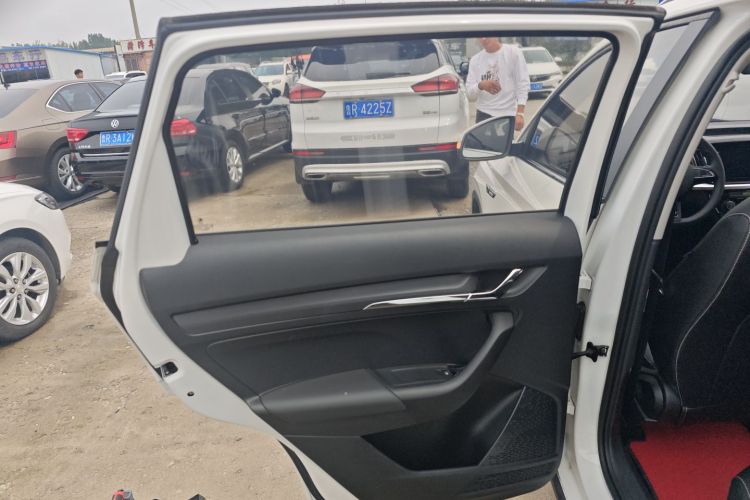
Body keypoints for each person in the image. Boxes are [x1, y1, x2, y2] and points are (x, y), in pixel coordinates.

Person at [466, 37, 530, 131]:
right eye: (480, 36)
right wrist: (481, 85)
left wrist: (520, 113)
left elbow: (522, 84)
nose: (484, 39)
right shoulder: (475, 60)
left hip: (507, 113)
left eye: (487, 35)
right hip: (483, 114)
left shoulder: (513, 53)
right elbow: (469, 94)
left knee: (506, 141)